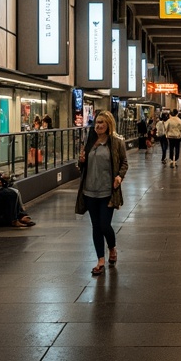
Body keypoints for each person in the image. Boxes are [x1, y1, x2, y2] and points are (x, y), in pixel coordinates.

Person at [75, 110, 128, 276]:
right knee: (96, 226)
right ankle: (100, 260)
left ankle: (112, 247)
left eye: (102, 123)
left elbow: (124, 163)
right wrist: (81, 161)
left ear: (109, 125)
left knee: (105, 225)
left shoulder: (116, 143)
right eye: (96, 122)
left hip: (107, 191)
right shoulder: (89, 141)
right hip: (89, 191)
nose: (98, 126)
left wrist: (119, 177)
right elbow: (82, 166)